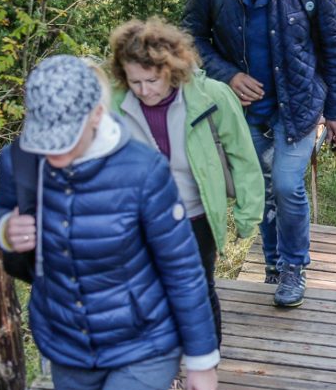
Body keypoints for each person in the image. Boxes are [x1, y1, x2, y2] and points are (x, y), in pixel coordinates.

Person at [0, 56, 219, 390]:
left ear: (97, 116)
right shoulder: (20, 163)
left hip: (143, 344)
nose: (55, 156)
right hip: (68, 343)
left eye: (65, 142)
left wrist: (201, 360)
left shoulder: (142, 170)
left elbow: (182, 268)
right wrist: (5, 232)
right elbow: (13, 240)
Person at [183, 0, 336, 308]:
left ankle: (294, 267)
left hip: (297, 105)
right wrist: (228, 75)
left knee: (289, 185)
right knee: (262, 187)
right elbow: (190, 39)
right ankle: (273, 264)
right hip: (242, 113)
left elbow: (333, 47)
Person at [109, 19, 264, 344]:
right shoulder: (113, 103)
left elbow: (242, 156)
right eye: (135, 81)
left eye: (152, 80)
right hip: (140, 217)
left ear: (172, 67)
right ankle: (162, 363)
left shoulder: (212, 97)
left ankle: (206, 359)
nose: (145, 90)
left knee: (196, 288)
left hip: (195, 214)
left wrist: (248, 213)